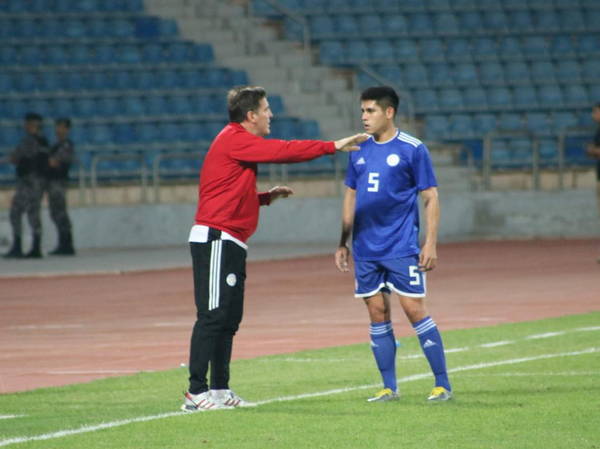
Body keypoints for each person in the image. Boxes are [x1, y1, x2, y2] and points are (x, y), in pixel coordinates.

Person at [181, 86, 368, 412]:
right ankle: (196, 394)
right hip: (216, 239)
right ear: (251, 116)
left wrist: (265, 197)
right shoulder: (234, 137)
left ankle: (220, 389)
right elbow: (282, 150)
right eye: (266, 109)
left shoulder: (236, 142)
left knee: (228, 320)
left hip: (232, 240)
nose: (271, 115)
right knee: (211, 316)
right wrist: (331, 146)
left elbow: (226, 191)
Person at [334, 86, 452, 402]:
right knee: (376, 313)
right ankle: (389, 387)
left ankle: (442, 385)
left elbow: (430, 197)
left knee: (414, 310)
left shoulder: (413, 149)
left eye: (370, 110)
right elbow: (351, 195)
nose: (364, 117)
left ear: (389, 112)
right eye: (362, 111)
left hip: (401, 247)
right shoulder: (358, 150)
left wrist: (431, 244)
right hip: (366, 249)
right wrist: (343, 242)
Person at [3, 113, 49, 259]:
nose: (26, 126)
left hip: (29, 182)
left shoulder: (30, 141)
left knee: (16, 211)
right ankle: (35, 247)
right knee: (33, 213)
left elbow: (16, 156)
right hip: (38, 182)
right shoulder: (43, 141)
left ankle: (18, 246)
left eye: (28, 124)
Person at [46, 117, 76, 256]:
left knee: (60, 212)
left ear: (67, 129)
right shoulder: (56, 145)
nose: (58, 129)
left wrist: (48, 163)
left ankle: (67, 243)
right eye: (57, 126)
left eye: (62, 127)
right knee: (55, 212)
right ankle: (62, 243)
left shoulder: (66, 145)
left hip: (59, 181)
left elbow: (54, 162)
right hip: (52, 181)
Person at [585, 102, 600, 263]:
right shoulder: (598, 132)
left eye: (595, 112)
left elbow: (593, 150)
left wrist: (594, 150)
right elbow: (590, 151)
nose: (593, 115)